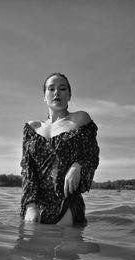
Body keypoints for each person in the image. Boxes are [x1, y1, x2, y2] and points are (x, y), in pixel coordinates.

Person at [20, 72, 99, 225]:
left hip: (66, 204)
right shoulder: (32, 128)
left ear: (69, 95)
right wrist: (30, 206)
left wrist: (78, 165)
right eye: (51, 89)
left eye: (62, 88)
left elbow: (92, 154)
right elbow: (27, 170)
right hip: (35, 208)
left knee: (64, 247)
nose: (56, 92)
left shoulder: (80, 119)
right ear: (44, 96)